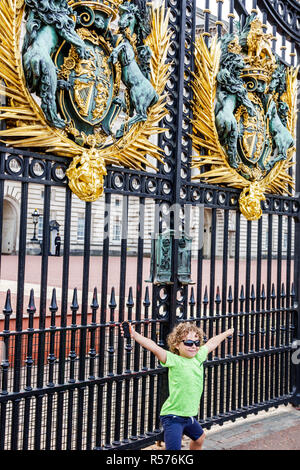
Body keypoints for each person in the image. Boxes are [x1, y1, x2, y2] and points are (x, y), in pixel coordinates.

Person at [120, 321, 234, 450]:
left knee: (200, 438)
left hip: (188, 416)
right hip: (173, 417)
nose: (193, 346)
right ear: (177, 345)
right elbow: (154, 347)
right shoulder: (173, 360)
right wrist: (134, 334)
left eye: (197, 343)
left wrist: (227, 333)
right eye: (188, 343)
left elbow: (212, 342)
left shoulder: (199, 356)